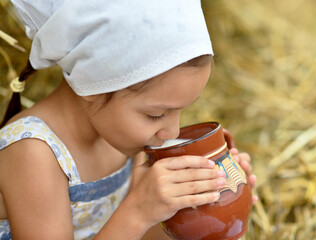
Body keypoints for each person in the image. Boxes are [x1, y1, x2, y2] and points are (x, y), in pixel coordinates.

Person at [0, 0, 257, 239]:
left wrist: (211, 204)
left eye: (181, 111)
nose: (172, 130)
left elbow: (142, 235)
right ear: (95, 86)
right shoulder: (34, 152)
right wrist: (137, 212)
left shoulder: (121, 137)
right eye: (155, 115)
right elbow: (132, 224)